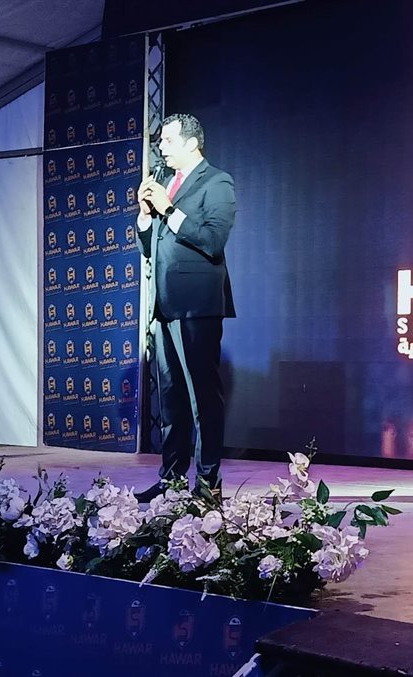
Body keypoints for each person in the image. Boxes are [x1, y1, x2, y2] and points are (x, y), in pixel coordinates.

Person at [132, 114, 236, 502]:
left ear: (192, 143)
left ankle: (208, 484)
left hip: (198, 306)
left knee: (202, 399)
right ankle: (171, 480)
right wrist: (146, 217)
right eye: (161, 141)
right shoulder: (166, 183)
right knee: (171, 399)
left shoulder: (217, 182)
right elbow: (152, 249)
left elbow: (213, 239)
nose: (161, 147)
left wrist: (169, 210)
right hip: (165, 305)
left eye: (168, 141)